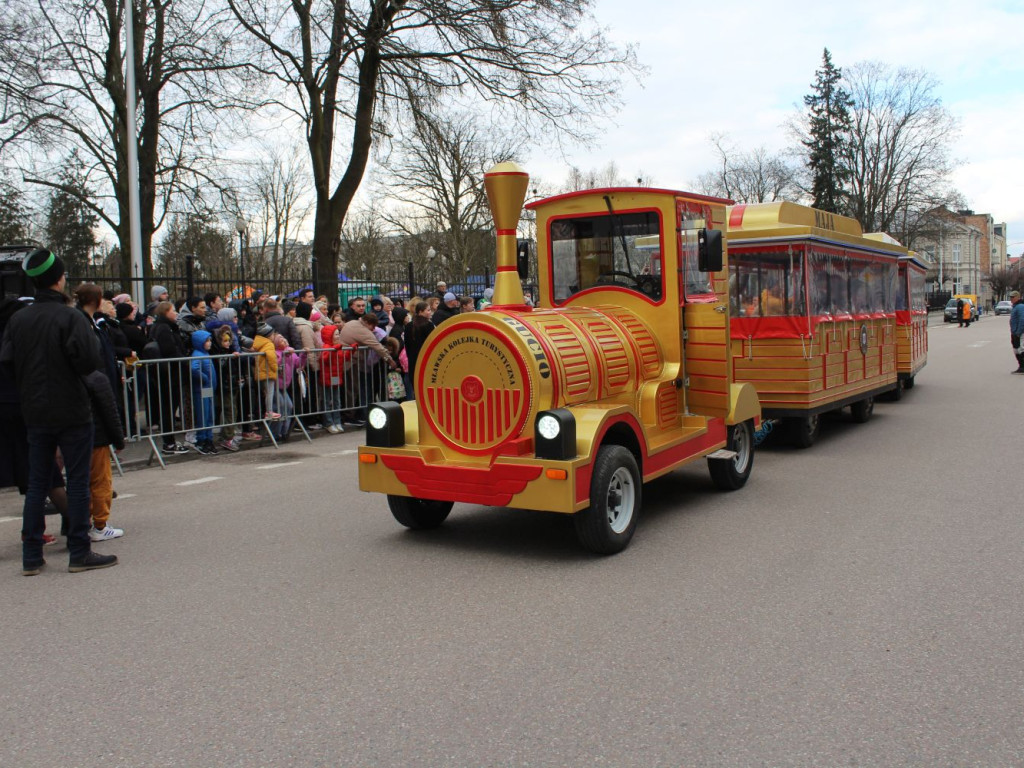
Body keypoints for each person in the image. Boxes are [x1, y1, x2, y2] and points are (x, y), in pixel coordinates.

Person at [0, 248, 116, 574]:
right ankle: (79, 551)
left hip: (34, 411)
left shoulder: (19, 319)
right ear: (59, 279)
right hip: (72, 410)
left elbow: (7, 362)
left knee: (37, 483)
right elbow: (88, 361)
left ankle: (32, 555)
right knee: (76, 481)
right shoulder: (70, 317)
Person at [82, 368, 126, 541]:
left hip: (73, 438)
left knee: (79, 482)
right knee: (100, 482)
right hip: (96, 436)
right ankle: (100, 525)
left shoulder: (67, 374)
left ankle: (78, 523)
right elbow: (109, 411)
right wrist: (118, 439)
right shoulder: (97, 378)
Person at [147, 300, 190, 454]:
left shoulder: (163, 326)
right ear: (165, 312)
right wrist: (185, 361)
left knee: (169, 408)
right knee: (168, 408)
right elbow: (169, 350)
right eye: (173, 310)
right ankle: (169, 443)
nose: (176, 313)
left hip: (170, 373)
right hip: (170, 374)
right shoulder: (164, 328)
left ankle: (170, 441)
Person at [189, 329, 219, 455]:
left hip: (207, 389)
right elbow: (194, 368)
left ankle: (208, 438)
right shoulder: (198, 354)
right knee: (203, 414)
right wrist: (205, 378)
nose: (209, 343)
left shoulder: (204, 354)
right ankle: (202, 440)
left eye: (210, 340)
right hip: (202, 389)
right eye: (207, 340)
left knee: (209, 414)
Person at [404, 300, 435, 399]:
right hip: (426, 359)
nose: (430, 312)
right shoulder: (428, 325)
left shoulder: (409, 325)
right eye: (428, 310)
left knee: (416, 386)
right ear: (421, 312)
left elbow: (407, 345)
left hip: (413, 359)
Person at [1009, 291, 1024, 374]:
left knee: (1021, 348)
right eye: (1010, 297)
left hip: (1020, 332)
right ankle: (1021, 366)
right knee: (1016, 349)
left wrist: (1018, 331)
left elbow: (1022, 319)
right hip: (1015, 332)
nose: (1011, 299)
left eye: (1013, 297)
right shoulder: (1015, 306)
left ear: (1018, 297)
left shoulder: (1020, 306)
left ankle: (1023, 367)